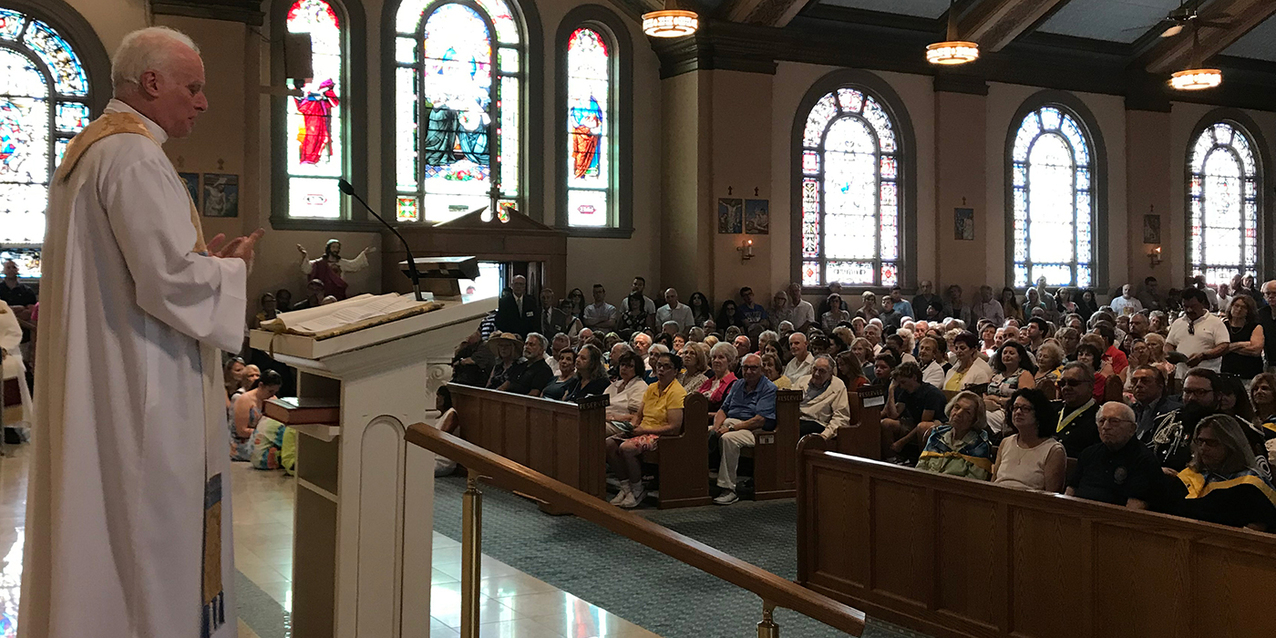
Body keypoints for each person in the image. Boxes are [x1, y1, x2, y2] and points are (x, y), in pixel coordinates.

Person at [23, 27, 266, 638]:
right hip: (144, 383)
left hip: (109, 372)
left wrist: (201, 266)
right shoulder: (134, 156)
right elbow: (167, 283)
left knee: (104, 523)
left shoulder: (90, 152)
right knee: (151, 531)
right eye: (194, 87)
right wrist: (231, 271)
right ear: (152, 83)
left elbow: (149, 270)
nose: (203, 102)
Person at [1162, 414, 1276, 530]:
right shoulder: (1188, 476)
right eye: (1200, 441)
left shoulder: (1250, 486)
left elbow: (1259, 528)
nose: (1203, 448)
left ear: (1231, 445)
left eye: (1211, 442)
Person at [606, 351, 686, 508]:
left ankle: (637, 489)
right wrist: (633, 425)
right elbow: (638, 415)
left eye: (666, 367)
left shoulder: (677, 392)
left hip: (661, 435)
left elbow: (674, 427)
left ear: (676, 371)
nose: (661, 370)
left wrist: (643, 431)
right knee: (608, 444)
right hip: (643, 430)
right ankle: (626, 488)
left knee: (627, 448)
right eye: (659, 366)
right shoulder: (651, 388)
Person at [1065, 402, 1163, 510]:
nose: (1105, 427)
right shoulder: (1088, 454)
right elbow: (1069, 494)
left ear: (1132, 428)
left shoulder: (1144, 460)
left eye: (1114, 421)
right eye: (1101, 421)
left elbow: (1133, 512)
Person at [710, 353, 778, 505]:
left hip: (755, 430)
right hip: (731, 423)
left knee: (728, 439)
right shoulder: (738, 384)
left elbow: (759, 420)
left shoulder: (768, 388)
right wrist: (716, 427)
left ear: (761, 369)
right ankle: (698, 483)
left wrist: (732, 428)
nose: (748, 372)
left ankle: (729, 489)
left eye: (753, 368)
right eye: (745, 368)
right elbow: (723, 410)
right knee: (704, 432)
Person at [1149, 368, 1223, 471]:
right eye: (1187, 391)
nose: (1192, 398)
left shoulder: (1226, 427)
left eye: (1200, 392)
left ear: (1217, 395)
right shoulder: (1166, 421)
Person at [993, 388, 1066, 492]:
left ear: (1039, 414)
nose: (1018, 412)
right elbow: (993, 483)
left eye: (1025, 408)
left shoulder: (1053, 450)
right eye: (1015, 407)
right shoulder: (1006, 442)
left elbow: (1051, 498)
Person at [914, 391, 993, 481]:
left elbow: (972, 486)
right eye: (956, 407)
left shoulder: (979, 446)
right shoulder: (937, 435)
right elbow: (920, 469)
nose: (958, 413)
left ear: (975, 419)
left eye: (967, 412)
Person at [883, 362, 949, 458]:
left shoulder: (931, 393)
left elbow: (924, 421)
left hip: (937, 425)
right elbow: (893, 415)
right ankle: (892, 458)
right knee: (886, 423)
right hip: (915, 423)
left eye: (903, 382)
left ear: (914, 378)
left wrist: (901, 442)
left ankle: (923, 461)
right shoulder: (906, 392)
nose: (900, 386)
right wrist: (891, 391)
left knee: (922, 427)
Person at [1166, 288, 1229, 379]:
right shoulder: (1178, 323)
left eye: (1193, 306)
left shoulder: (1215, 323)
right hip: (1181, 375)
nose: (1189, 310)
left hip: (1207, 376)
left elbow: (1224, 346)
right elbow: (1169, 344)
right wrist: (1171, 354)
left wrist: (1203, 356)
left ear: (1202, 304)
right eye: (1185, 307)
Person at [984, 341, 1037, 434]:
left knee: (981, 418)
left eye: (1011, 353)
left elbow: (1024, 399)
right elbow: (985, 392)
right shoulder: (996, 375)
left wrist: (997, 400)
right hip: (988, 407)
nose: (1007, 355)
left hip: (1008, 412)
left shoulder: (1024, 374)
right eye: (1005, 353)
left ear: (1020, 358)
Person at [793, 355, 851, 438]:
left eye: (822, 371)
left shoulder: (838, 386)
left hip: (817, 422)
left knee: (796, 430)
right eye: (815, 369)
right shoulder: (802, 381)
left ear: (830, 373)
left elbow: (841, 417)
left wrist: (824, 436)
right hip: (797, 418)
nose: (816, 374)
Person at [296, 239, 373, 300]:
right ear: (328, 248)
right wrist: (304, 255)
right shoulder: (319, 263)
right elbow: (306, 269)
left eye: (337, 247)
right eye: (333, 247)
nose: (336, 249)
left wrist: (364, 253)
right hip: (323, 294)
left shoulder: (341, 262)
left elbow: (354, 265)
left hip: (338, 293)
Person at [231, 369, 282, 462]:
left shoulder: (273, 399)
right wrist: (263, 433)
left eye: (275, 392)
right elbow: (241, 431)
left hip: (262, 440)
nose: (272, 395)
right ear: (261, 385)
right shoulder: (244, 399)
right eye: (270, 391)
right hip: (241, 444)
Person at [1054, 362, 1101, 457]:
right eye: (1062, 384)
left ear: (1090, 386)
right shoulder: (1051, 409)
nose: (1066, 388)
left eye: (1073, 383)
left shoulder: (1100, 418)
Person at [1130, 365, 1182, 443]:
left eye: (1145, 381)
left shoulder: (1174, 412)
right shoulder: (1129, 411)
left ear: (1160, 386)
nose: (1138, 385)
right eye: (1134, 381)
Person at [603, 351, 648, 435]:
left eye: (629, 366)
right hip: (602, 420)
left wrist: (612, 417)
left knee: (592, 428)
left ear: (637, 369)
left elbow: (636, 417)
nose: (624, 368)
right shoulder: (614, 385)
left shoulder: (640, 386)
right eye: (622, 365)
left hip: (620, 426)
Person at [1221, 294, 1265, 379]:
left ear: (1249, 311)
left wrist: (1229, 347)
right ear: (1231, 306)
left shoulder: (1255, 327)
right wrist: (1244, 344)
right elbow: (1218, 348)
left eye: (1244, 307)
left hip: (1250, 373)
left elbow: (1255, 350)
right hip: (1227, 373)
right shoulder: (1223, 325)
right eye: (1236, 306)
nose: (1239, 309)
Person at [697, 342, 739, 411]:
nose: (716, 360)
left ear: (729, 361)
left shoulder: (734, 383)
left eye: (721, 357)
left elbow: (731, 410)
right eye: (714, 357)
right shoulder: (707, 382)